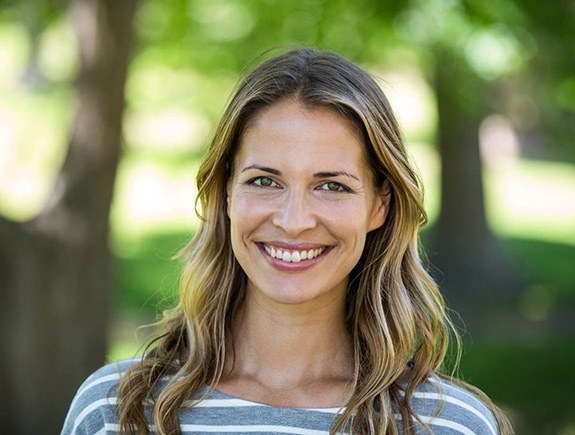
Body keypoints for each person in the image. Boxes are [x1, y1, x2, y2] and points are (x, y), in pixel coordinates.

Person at [61, 48, 513, 435]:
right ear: (226, 193)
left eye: (332, 186)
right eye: (264, 181)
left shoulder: (448, 424)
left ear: (380, 206)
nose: (294, 221)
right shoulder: (114, 410)